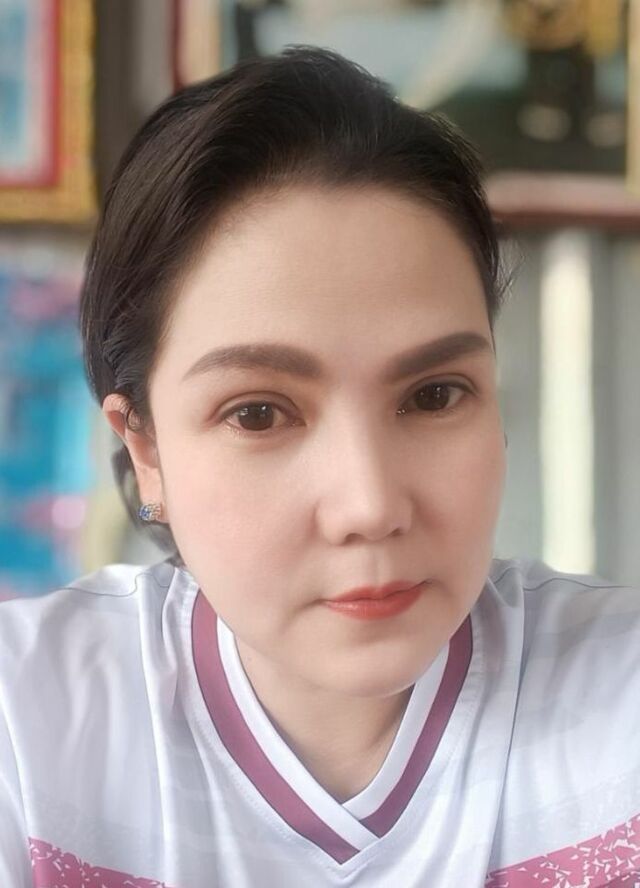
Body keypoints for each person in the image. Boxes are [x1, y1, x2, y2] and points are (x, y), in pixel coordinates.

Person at [1, 45, 638, 888]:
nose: (369, 505)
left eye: (434, 396)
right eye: (259, 413)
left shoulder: (619, 708)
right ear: (145, 449)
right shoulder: (25, 729)